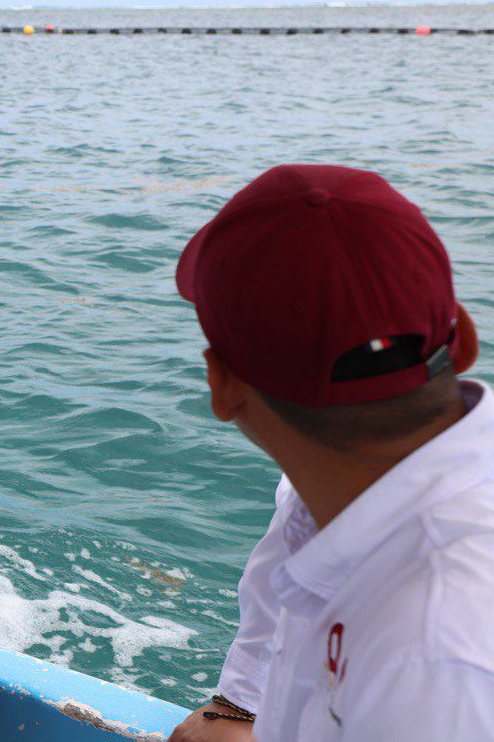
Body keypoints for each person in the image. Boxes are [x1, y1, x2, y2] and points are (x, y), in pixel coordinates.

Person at [168, 164, 494, 741]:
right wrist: (240, 707)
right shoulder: (335, 497)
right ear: (463, 340)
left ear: (222, 388)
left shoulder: (435, 655)